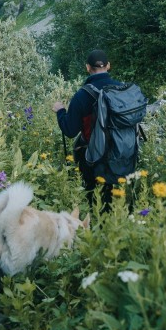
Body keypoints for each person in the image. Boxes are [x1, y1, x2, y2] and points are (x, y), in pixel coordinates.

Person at [52, 49, 121, 212]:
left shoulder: (82, 96)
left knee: (95, 201)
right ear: (108, 66)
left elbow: (69, 130)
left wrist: (61, 110)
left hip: (95, 158)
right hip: (123, 153)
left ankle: (96, 227)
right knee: (117, 200)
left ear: (88, 68)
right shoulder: (122, 89)